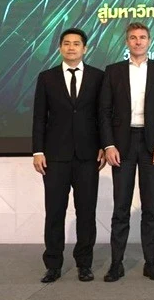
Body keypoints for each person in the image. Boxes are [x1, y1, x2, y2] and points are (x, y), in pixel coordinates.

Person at [99, 22, 154, 282]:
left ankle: (150, 263)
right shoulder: (113, 71)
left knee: (150, 208)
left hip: (152, 145)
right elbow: (104, 112)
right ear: (127, 42)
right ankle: (116, 264)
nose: (138, 41)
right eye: (133, 37)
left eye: (142, 37)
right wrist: (109, 145)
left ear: (149, 41)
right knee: (121, 207)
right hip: (122, 145)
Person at [32, 28, 105, 283]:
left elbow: (103, 115)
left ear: (85, 48)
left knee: (86, 212)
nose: (71, 47)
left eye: (76, 44)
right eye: (66, 43)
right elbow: (39, 117)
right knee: (55, 212)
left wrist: (104, 145)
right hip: (55, 157)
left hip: (88, 156)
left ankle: (84, 264)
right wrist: (38, 151)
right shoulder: (47, 77)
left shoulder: (98, 77)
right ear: (60, 48)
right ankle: (53, 265)